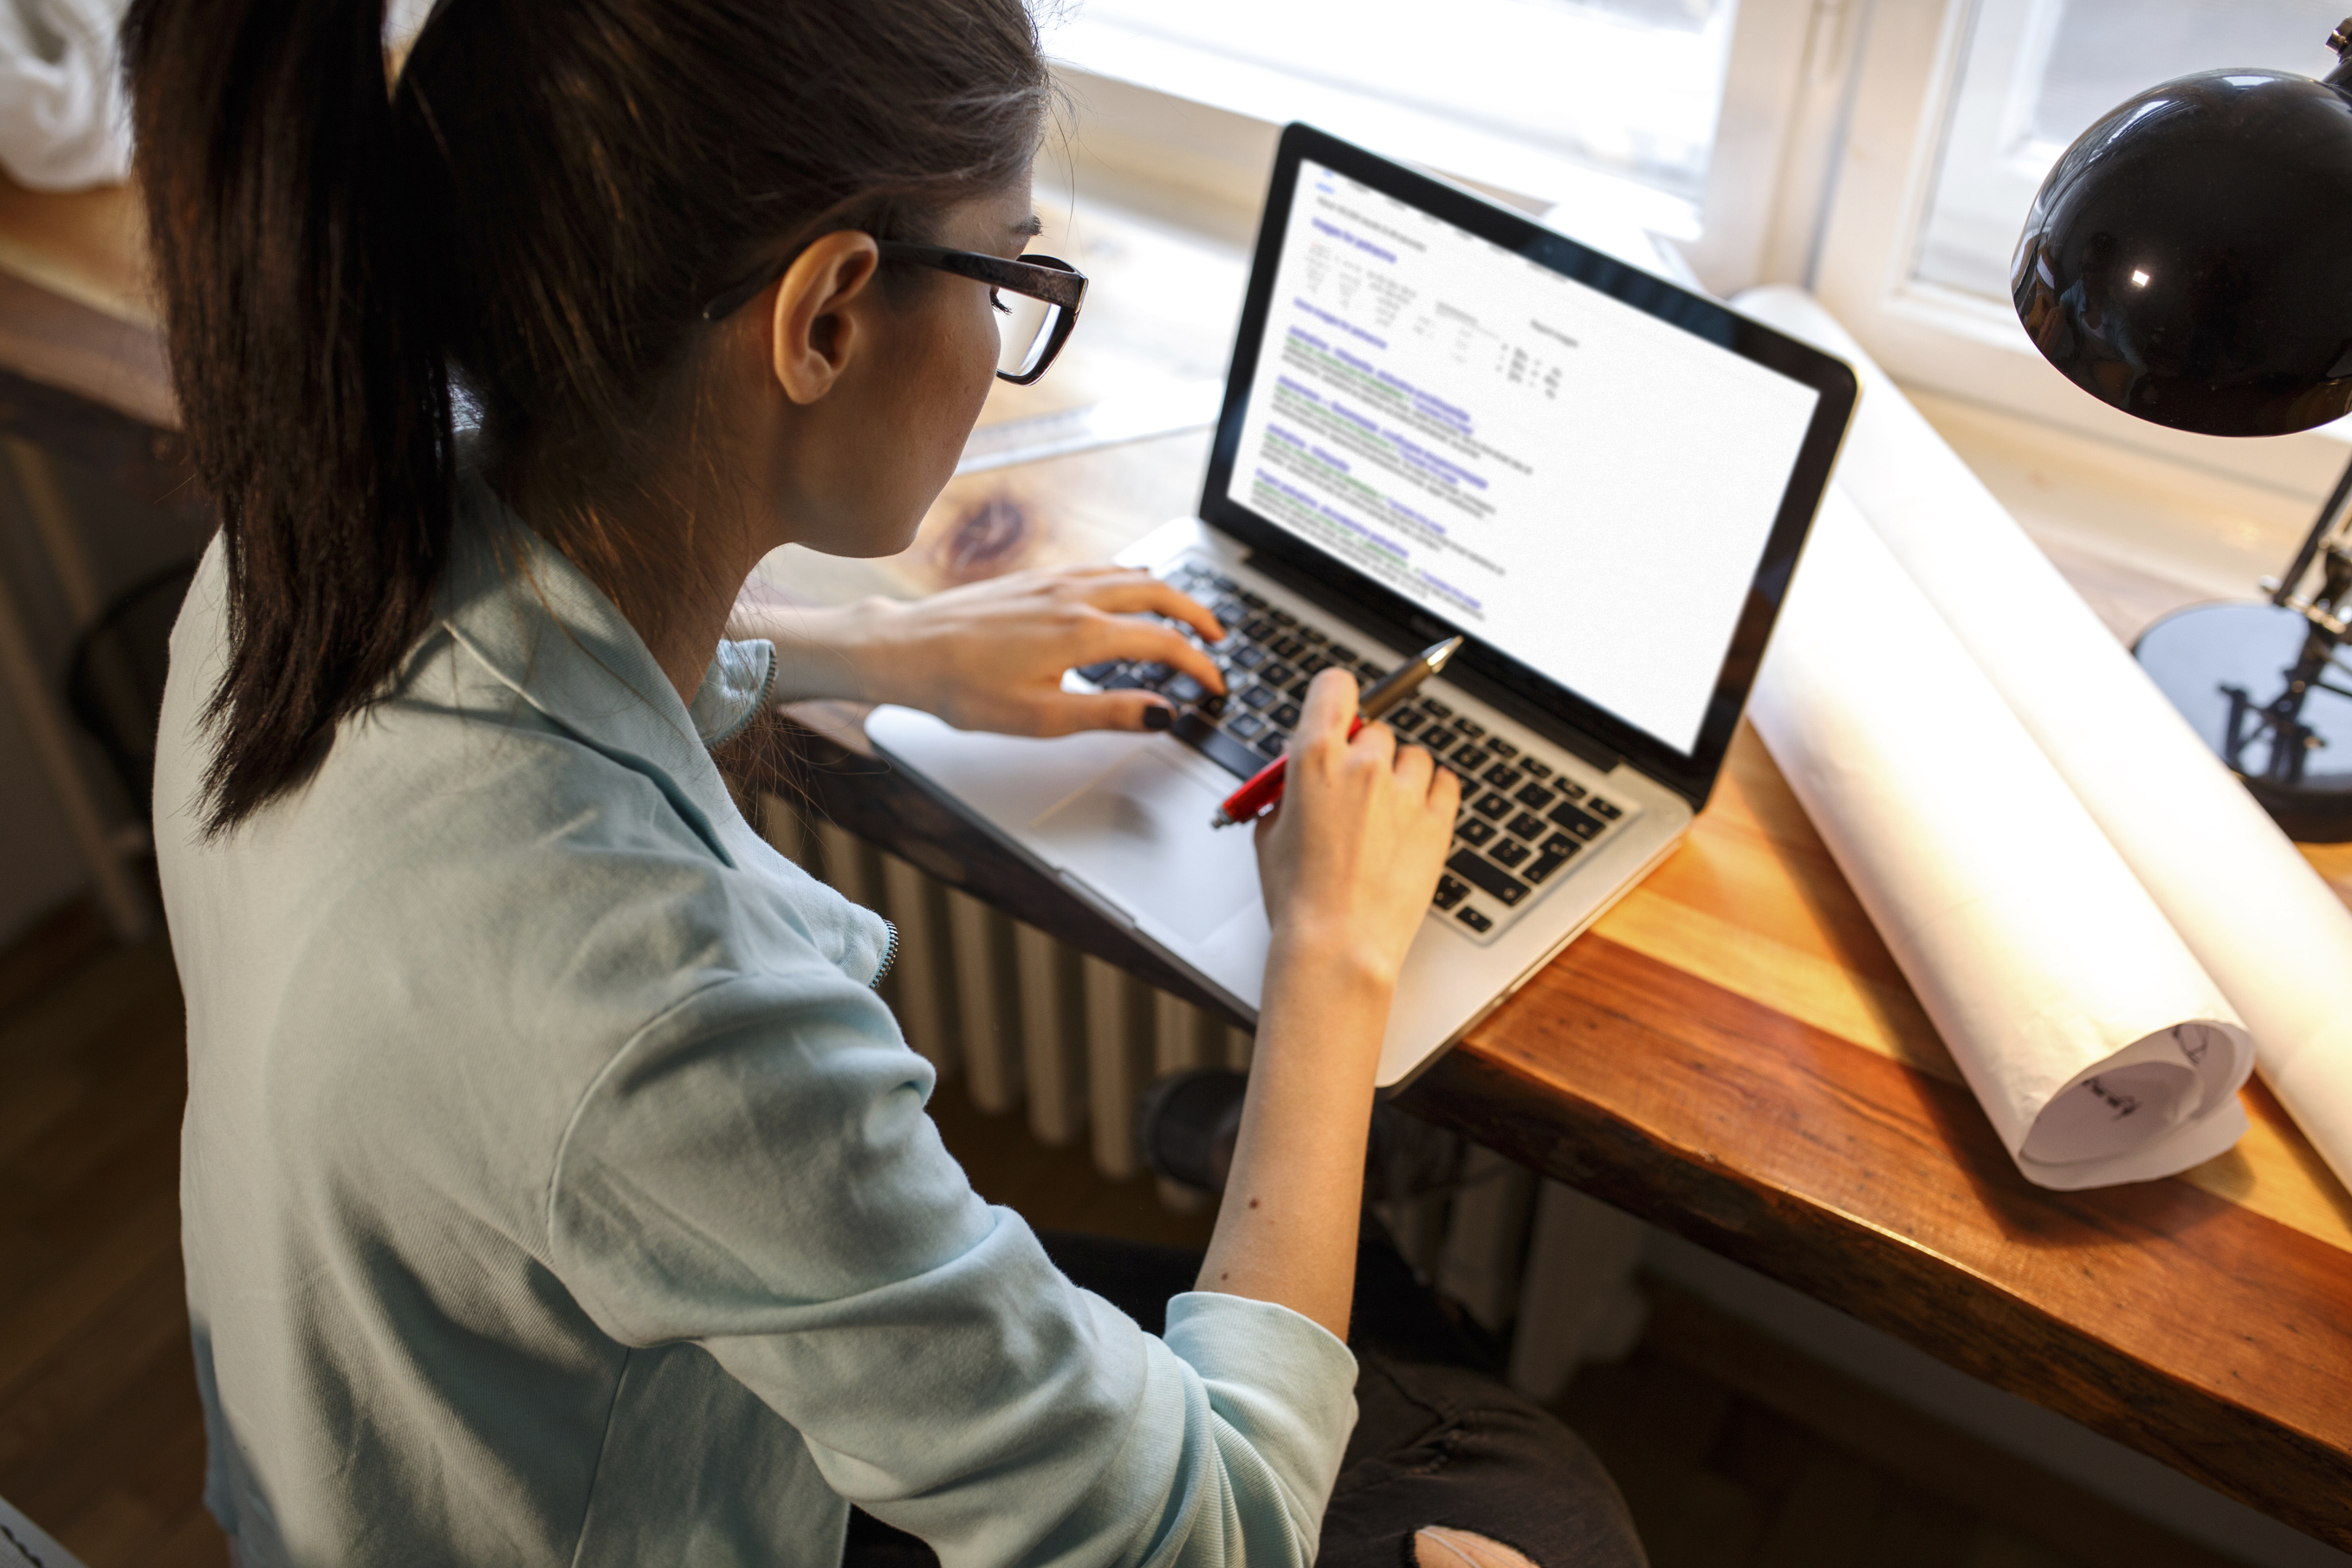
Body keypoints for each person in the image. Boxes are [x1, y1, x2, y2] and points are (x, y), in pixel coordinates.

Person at [128, 0, 1647, 1563]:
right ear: (828, 316)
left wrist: (883, 650)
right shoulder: (658, 1004)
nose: (1010, 338)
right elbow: (1217, 1531)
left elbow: (537, 661)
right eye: (1015, 273)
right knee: (1533, 1494)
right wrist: (1332, 958)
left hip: (414, 1441)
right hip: (618, 1511)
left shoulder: (316, 537)